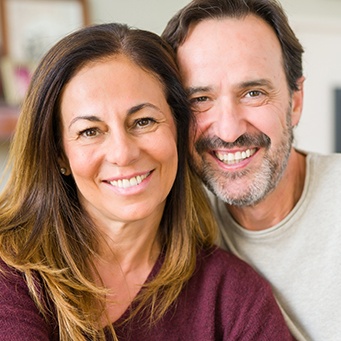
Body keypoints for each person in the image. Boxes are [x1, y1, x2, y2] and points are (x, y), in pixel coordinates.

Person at [0, 22, 294, 341]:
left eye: (143, 121)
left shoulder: (233, 296)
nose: (123, 154)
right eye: (90, 131)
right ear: (60, 154)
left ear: (180, 130)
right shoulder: (11, 272)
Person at [162, 0, 341, 340]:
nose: (228, 131)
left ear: (295, 102)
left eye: (253, 93)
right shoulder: (180, 230)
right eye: (200, 99)